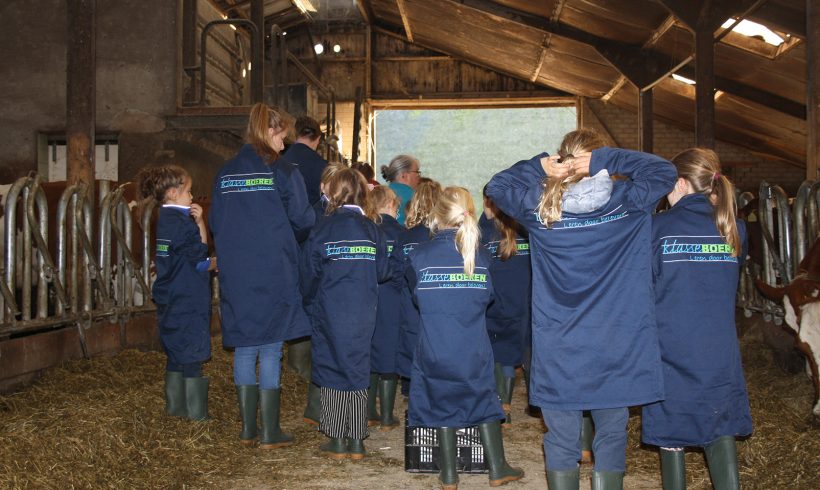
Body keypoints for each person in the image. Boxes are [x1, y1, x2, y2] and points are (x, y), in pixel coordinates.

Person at [487, 129, 676, 489]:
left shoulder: (540, 208)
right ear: (594, 159)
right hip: (618, 341)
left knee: (560, 438)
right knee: (611, 432)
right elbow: (665, 172)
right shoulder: (627, 200)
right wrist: (610, 159)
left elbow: (497, 186)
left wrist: (540, 166)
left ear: (563, 162)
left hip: (561, 344)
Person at [642, 148, 752, 490]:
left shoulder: (656, 228)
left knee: (672, 425)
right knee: (719, 422)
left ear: (679, 183)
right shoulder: (735, 229)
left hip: (670, 347)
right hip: (719, 348)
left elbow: (646, 284)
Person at [209, 103, 314, 449]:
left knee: (244, 347)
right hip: (274, 267)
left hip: (237, 269)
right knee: (270, 348)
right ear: (270, 131)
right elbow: (302, 219)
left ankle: (247, 429)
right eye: (283, 133)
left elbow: (216, 223)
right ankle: (270, 431)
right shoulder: (282, 171)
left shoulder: (225, 173)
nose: (285, 141)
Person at [407, 186, 524, 489]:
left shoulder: (420, 255)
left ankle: (448, 476)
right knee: (484, 398)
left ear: (438, 215)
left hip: (434, 345)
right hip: (472, 345)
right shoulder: (482, 257)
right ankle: (497, 468)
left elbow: (416, 297)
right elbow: (489, 298)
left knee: (440, 400)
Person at [300, 168, 389, 460]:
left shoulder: (323, 228)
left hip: (331, 306)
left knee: (331, 364)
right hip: (363, 308)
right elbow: (382, 271)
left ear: (333, 193)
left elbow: (309, 273)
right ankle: (357, 440)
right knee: (358, 365)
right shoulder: (372, 228)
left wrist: (310, 301)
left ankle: (337, 439)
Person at [139, 165, 215, 421]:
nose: (192, 197)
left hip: (170, 295)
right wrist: (220, 262)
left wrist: (199, 220)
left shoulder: (164, 220)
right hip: (188, 296)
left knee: (174, 353)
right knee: (192, 354)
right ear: (172, 193)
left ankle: (175, 409)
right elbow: (201, 258)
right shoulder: (182, 225)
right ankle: (197, 417)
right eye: (188, 191)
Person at [298, 162, 348, 427]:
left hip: (336, 290)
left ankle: (328, 408)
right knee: (320, 349)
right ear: (323, 186)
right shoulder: (315, 215)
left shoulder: (345, 215)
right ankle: (316, 407)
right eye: (335, 183)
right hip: (319, 289)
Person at [479, 187, 531, 428]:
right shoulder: (525, 231)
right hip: (522, 303)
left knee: (498, 356)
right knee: (514, 354)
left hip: (494, 304)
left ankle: (503, 408)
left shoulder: (487, 234)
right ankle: (523, 403)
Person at [392, 181, 442, 397]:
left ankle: (412, 391)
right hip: (437, 304)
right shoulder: (443, 239)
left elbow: (394, 272)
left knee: (411, 344)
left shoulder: (404, 237)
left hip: (408, 302)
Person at [368, 186, 404, 430]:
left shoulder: (367, 231)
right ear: (392, 205)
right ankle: (388, 416)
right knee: (390, 353)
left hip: (368, 298)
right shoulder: (402, 233)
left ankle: (370, 411)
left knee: (369, 350)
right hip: (393, 299)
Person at [279, 115, 328, 206]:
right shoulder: (322, 165)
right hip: (312, 217)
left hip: (284, 217)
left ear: (296, 134)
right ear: (318, 138)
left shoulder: (281, 161)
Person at [381, 154, 421, 226]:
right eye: (417, 172)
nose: (419, 176)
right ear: (404, 175)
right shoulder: (415, 198)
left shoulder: (380, 194)